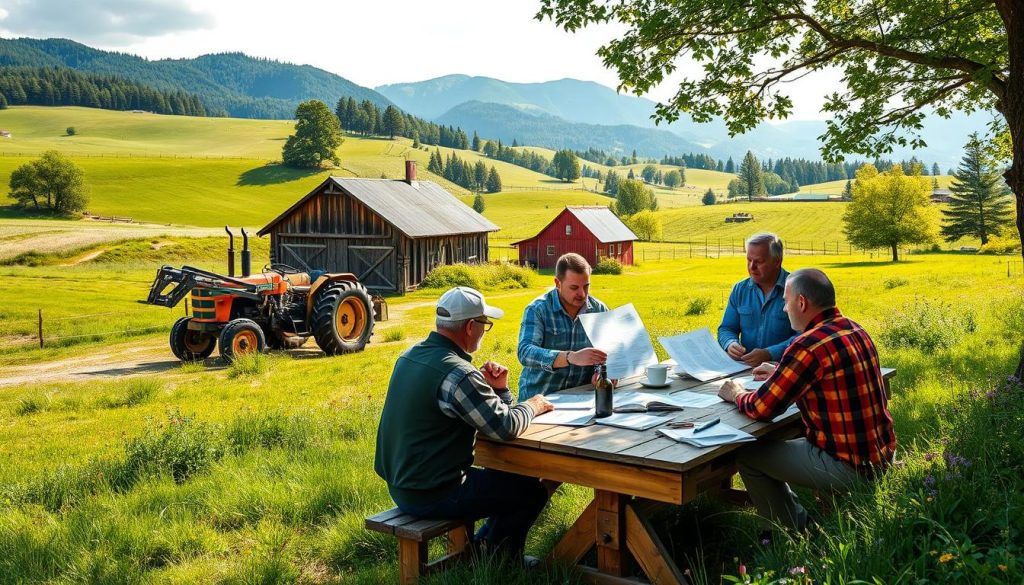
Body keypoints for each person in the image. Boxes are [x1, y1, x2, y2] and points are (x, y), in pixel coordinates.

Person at [374, 286, 555, 561]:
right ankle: (492, 555)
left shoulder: (410, 356)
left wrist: (501, 390)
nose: (485, 330)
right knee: (529, 491)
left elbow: (492, 418)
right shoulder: (459, 373)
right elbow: (504, 428)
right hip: (433, 492)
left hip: (402, 484)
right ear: (471, 326)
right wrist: (533, 405)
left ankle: (484, 547)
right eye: (485, 324)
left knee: (512, 480)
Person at [717, 268, 897, 532]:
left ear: (801, 303)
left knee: (748, 454)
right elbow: (828, 373)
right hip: (879, 456)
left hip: (847, 465)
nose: (783, 308)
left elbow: (762, 408)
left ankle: (791, 530)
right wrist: (781, 371)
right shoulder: (854, 329)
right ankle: (800, 519)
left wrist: (735, 393)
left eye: (786, 301)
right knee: (782, 441)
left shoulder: (807, 346)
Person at [517, 253, 609, 400]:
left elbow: (609, 351)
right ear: (557, 283)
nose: (582, 294)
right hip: (539, 400)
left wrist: (602, 372)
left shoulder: (599, 310)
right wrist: (570, 357)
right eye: (574, 287)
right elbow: (525, 352)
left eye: (586, 286)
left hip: (582, 399)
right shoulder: (538, 309)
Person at [718, 233, 797, 366]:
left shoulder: (796, 289)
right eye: (749, 260)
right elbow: (726, 328)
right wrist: (730, 343)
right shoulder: (740, 289)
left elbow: (805, 336)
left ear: (777, 261)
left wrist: (771, 353)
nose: (752, 267)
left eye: (759, 261)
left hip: (783, 369)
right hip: (744, 369)